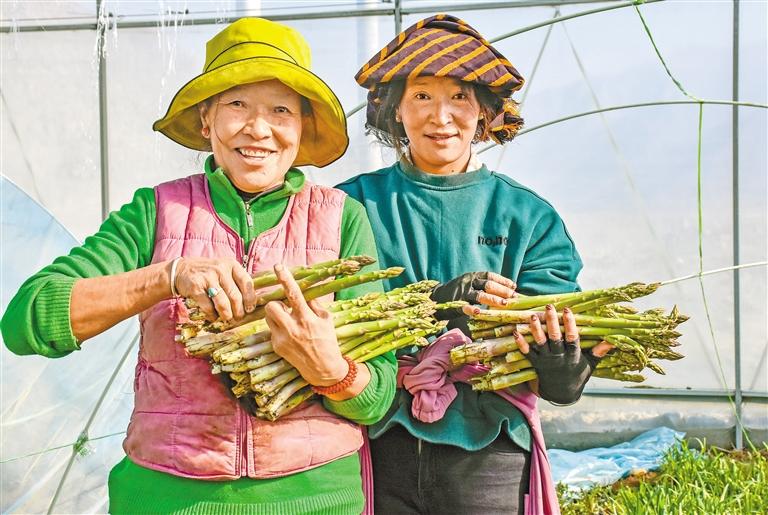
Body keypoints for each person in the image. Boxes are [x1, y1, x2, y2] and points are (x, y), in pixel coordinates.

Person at [1, 18, 396, 514]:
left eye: (280, 110)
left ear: (301, 127)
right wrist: (167, 276)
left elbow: (377, 398)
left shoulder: (340, 218)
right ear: (207, 120)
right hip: (166, 499)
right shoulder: (156, 211)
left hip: (315, 500)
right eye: (237, 105)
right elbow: (26, 323)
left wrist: (329, 369)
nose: (259, 129)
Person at [337, 14, 611, 514]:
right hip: (377, 436)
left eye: (459, 97)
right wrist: (434, 306)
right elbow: (330, 319)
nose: (440, 116)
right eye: (422, 96)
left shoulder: (527, 215)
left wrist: (562, 367)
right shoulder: (350, 206)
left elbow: (552, 317)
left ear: (483, 110)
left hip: (489, 447)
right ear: (395, 109)